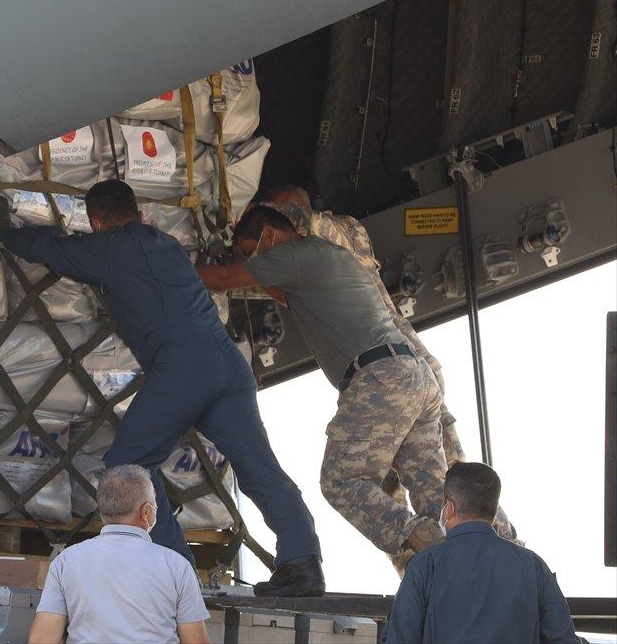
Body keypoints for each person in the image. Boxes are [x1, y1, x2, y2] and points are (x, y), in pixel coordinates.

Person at [0, 181, 324, 597]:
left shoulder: (109, 248)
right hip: (228, 367)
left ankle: (172, 571)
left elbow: (53, 249)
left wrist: (3, 229)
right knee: (257, 467)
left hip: (184, 367)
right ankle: (303, 562)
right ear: (141, 215)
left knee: (129, 463)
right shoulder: (165, 243)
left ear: (97, 222)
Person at [258, 185, 517, 570]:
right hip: (400, 376)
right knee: (413, 492)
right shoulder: (305, 266)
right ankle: (435, 575)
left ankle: (507, 552)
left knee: (445, 481)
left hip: (400, 371)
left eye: (275, 225)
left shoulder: (341, 233)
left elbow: (306, 227)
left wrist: (261, 218)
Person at [197, 205, 446, 565]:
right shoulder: (326, 259)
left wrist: (165, 265)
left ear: (269, 235)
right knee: (430, 485)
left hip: (379, 378)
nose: (251, 263)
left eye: (250, 253)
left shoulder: (294, 254)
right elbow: (275, 292)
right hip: (414, 377)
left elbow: (222, 280)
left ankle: (417, 537)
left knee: (341, 480)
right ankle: (469, 547)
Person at [384, 462, 580, 644]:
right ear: (493, 511)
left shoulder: (424, 566)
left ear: (449, 508)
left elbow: (399, 638)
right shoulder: (534, 566)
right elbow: (563, 638)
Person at [28, 465, 211, 644]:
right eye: (156, 502)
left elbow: (42, 640)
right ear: (146, 511)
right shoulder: (177, 566)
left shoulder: (66, 561)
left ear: (103, 509)